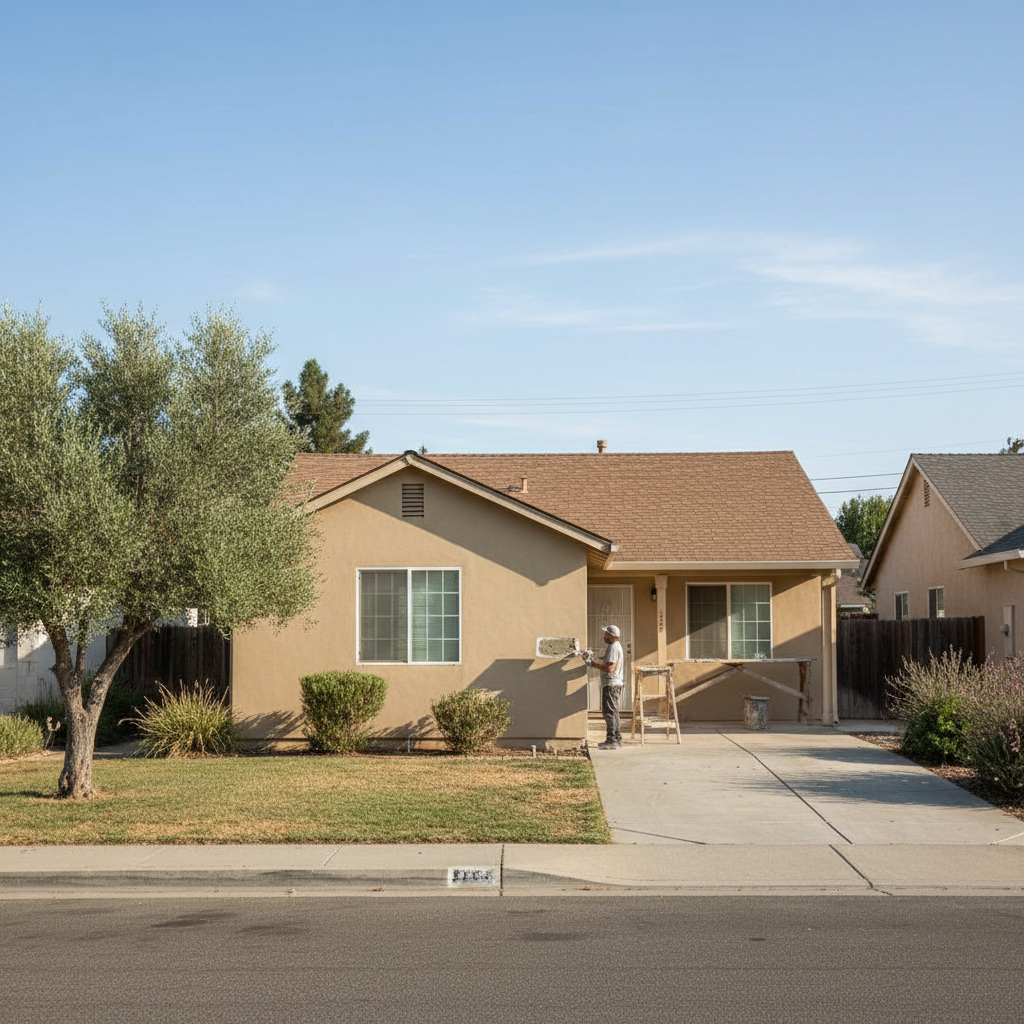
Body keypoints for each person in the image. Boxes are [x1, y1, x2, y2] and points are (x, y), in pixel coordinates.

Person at [588, 625, 624, 749]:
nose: (604, 636)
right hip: (615, 683)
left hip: (611, 684)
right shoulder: (615, 646)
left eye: (607, 634)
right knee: (613, 712)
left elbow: (610, 668)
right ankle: (617, 738)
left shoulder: (613, 647)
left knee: (609, 712)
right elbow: (607, 661)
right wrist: (594, 657)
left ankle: (612, 741)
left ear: (612, 636)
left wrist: (592, 664)